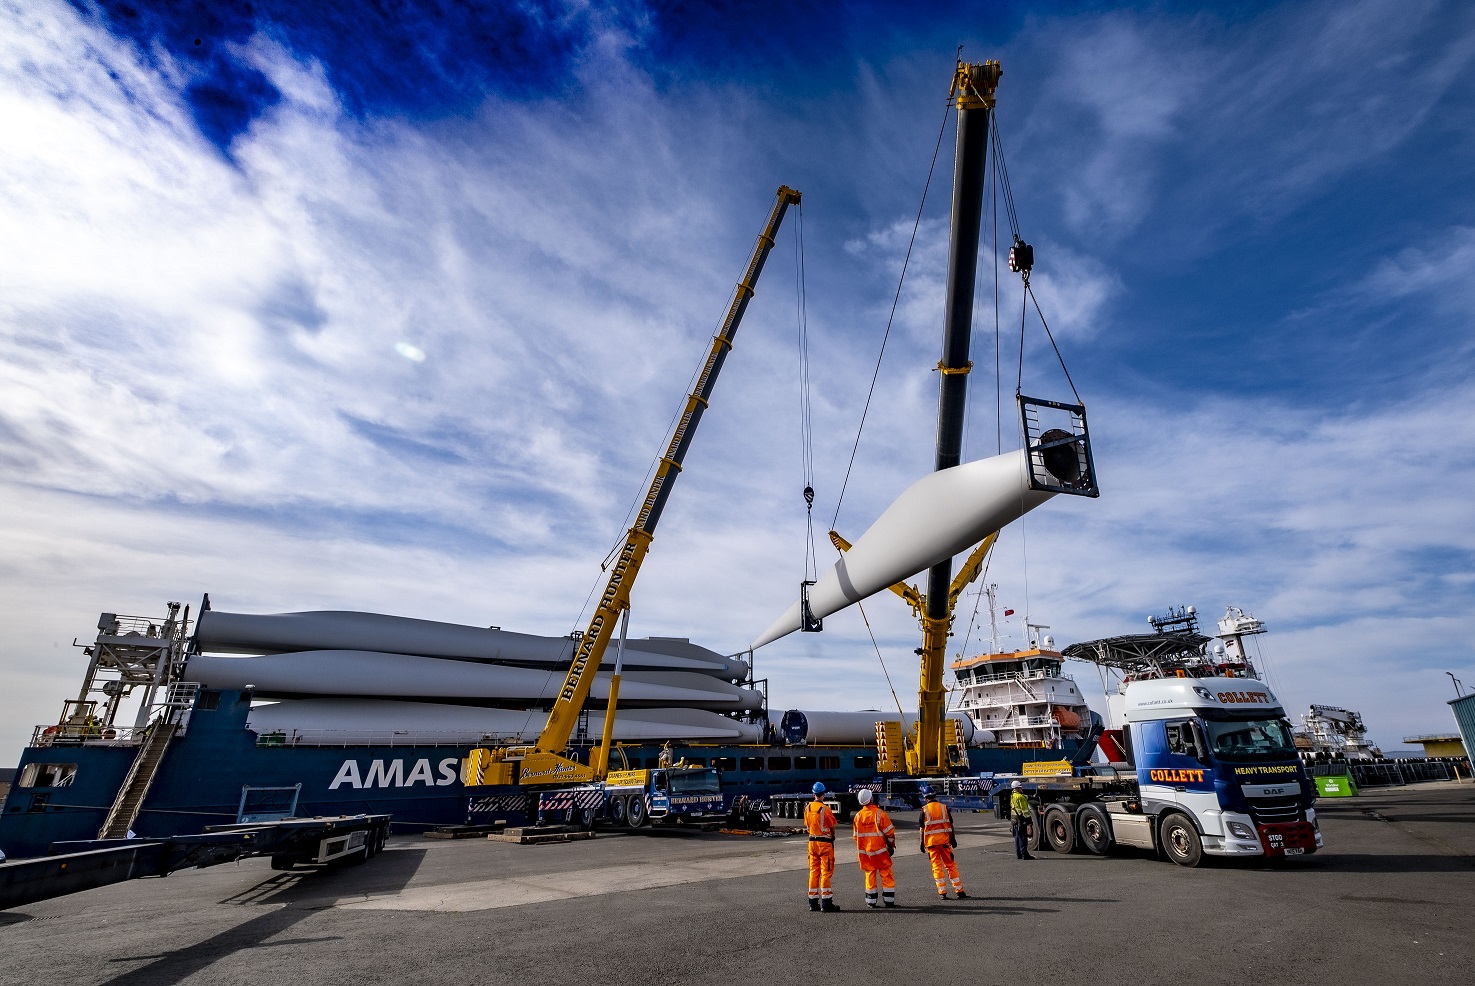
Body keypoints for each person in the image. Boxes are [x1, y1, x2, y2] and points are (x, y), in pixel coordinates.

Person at [918, 785, 966, 899]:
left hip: (931, 844)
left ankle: (942, 892)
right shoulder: (944, 807)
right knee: (950, 865)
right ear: (935, 795)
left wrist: (921, 843)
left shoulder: (924, 810)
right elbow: (950, 825)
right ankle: (959, 891)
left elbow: (922, 829)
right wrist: (953, 838)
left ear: (925, 798)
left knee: (937, 867)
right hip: (945, 842)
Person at [852, 788, 897, 908]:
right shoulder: (879, 813)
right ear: (871, 799)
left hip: (865, 852)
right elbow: (890, 833)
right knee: (886, 872)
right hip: (880, 850)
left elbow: (856, 836)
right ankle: (889, 900)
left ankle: (871, 901)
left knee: (870, 874)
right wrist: (891, 846)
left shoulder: (858, 816)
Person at [804, 782, 840, 912]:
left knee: (814, 872)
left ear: (813, 794)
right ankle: (826, 903)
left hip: (811, 843)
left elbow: (807, 826)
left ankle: (813, 903)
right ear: (823, 794)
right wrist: (832, 837)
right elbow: (832, 827)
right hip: (824, 844)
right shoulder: (826, 809)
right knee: (826, 872)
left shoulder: (807, 808)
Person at [1009, 780, 1034, 860]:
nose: (1021, 789)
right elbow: (1025, 810)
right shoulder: (1020, 797)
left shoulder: (1013, 795)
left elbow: (1022, 797)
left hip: (1014, 818)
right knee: (1023, 837)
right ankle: (1025, 854)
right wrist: (1029, 820)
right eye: (1020, 787)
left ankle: (1019, 854)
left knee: (1017, 836)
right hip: (1021, 819)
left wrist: (1030, 796)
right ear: (1017, 788)